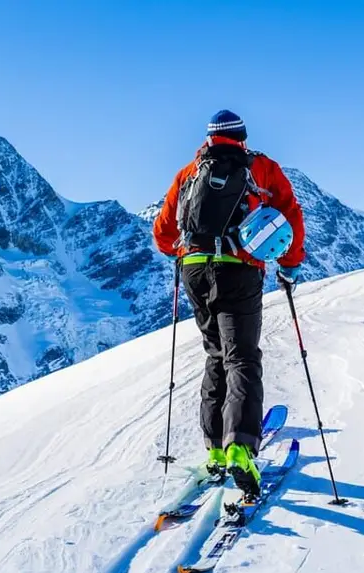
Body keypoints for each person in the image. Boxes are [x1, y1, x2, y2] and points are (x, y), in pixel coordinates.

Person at [152, 110, 306, 501]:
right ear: (242, 137)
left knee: (215, 354)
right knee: (242, 358)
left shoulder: (189, 172)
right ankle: (241, 446)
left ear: (209, 139)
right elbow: (291, 216)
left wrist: (191, 249)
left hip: (195, 271)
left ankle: (216, 450)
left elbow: (164, 234)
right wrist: (288, 266)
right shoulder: (262, 168)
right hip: (238, 270)